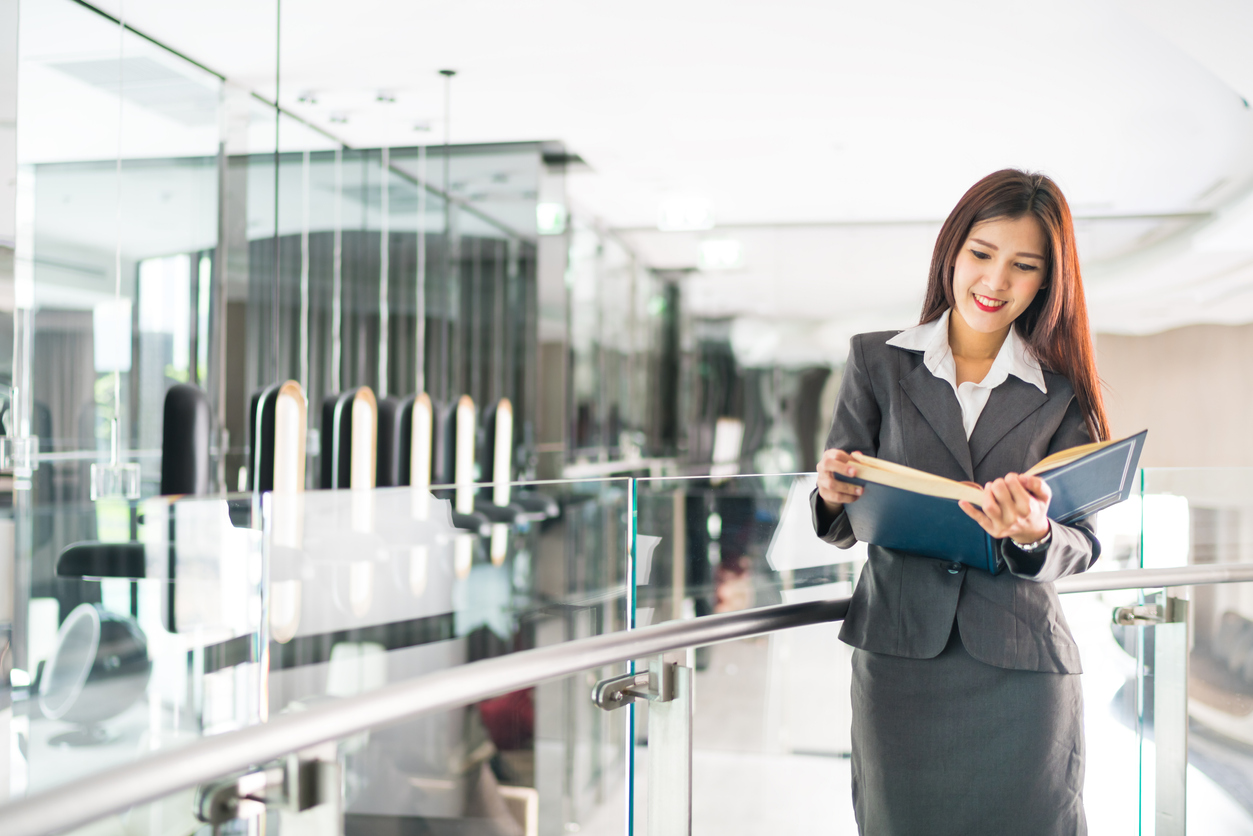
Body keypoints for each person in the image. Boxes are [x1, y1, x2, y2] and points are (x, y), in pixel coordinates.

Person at [812, 169, 1109, 836]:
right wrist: (831, 496)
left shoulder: (1061, 394)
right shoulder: (874, 363)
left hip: (1021, 666)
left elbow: (1083, 543)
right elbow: (841, 512)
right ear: (951, 252)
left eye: (1022, 266)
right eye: (980, 254)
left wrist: (1033, 532)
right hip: (900, 659)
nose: (995, 282)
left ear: (1044, 282)